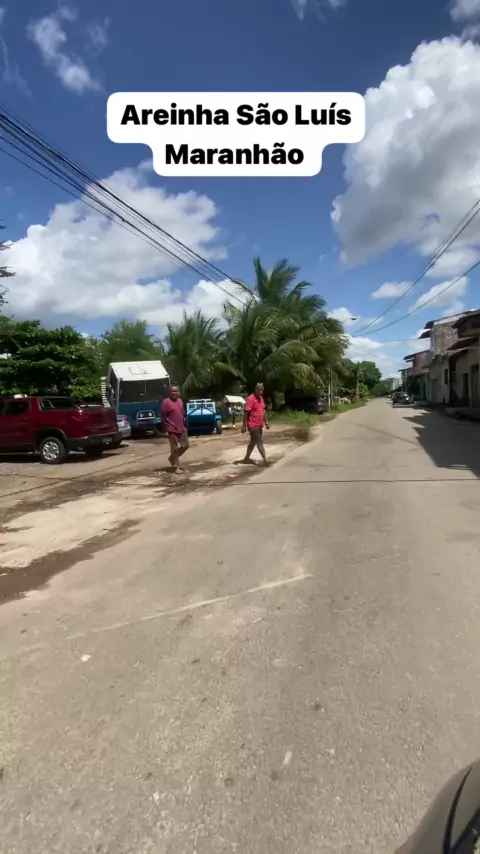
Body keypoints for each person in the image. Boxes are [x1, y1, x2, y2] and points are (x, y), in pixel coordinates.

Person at [160, 385, 189, 473]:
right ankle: (176, 467)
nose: (174, 393)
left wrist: (184, 426)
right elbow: (163, 416)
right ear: (170, 392)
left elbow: (182, 414)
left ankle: (172, 458)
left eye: (176, 391)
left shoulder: (180, 401)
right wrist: (165, 428)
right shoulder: (166, 402)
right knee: (174, 448)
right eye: (172, 391)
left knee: (185, 445)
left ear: (179, 392)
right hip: (171, 428)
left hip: (181, 427)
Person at [241, 382, 270, 465]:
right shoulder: (251, 398)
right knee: (259, 442)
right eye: (259, 390)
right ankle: (266, 460)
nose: (261, 392)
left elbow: (263, 410)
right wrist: (244, 426)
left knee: (253, 442)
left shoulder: (261, 398)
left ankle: (246, 458)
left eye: (262, 390)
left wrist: (266, 422)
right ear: (255, 389)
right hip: (253, 426)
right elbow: (246, 412)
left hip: (259, 425)